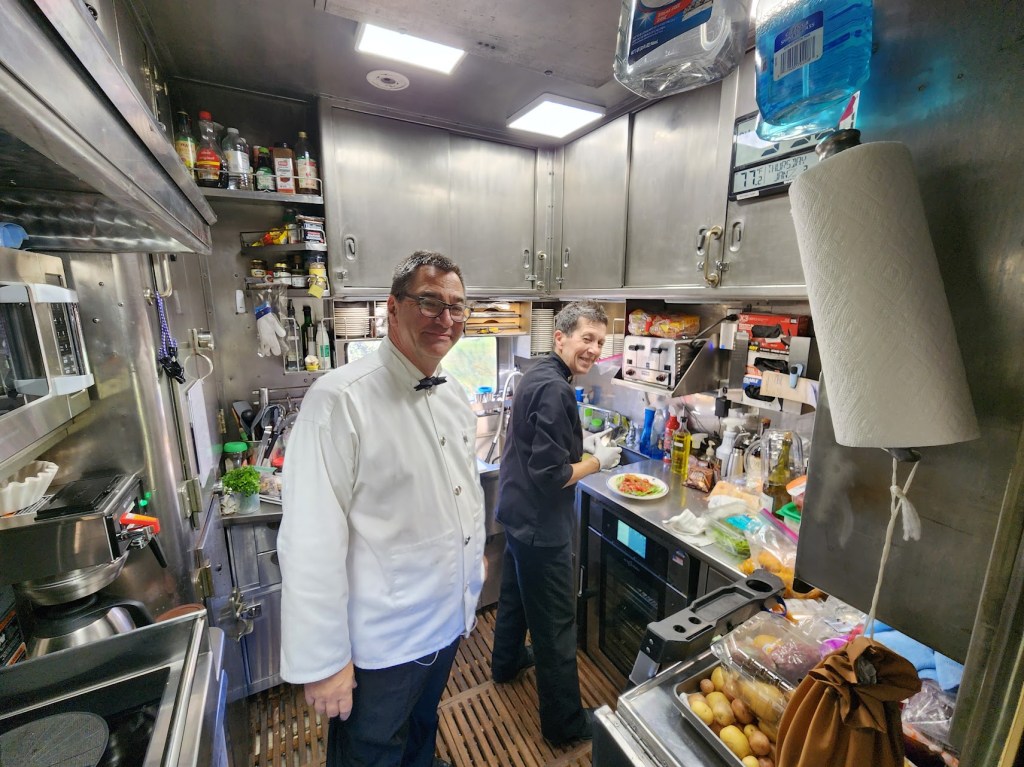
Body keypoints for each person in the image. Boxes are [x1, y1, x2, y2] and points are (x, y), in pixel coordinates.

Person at [278, 251, 485, 767]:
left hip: (445, 619)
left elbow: (459, 496)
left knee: (422, 730)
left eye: (457, 307)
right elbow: (310, 540)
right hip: (383, 642)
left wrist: (472, 563)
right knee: (370, 752)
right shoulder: (338, 400)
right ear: (393, 309)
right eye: (430, 302)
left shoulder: (454, 393)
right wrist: (325, 662)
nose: (447, 319)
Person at [490, 300, 621, 745]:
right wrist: (595, 461)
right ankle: (564, 726)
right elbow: (552, 476)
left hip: (515, 511)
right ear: (560, 337)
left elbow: (540, 450)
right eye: (587, 338)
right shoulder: (556, 389)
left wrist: (580, 452)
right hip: (540, 524)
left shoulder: (539, 374)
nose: (594, 349)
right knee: (556, 627)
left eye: (601, 342)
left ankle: (506, 663)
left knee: (515, 596)